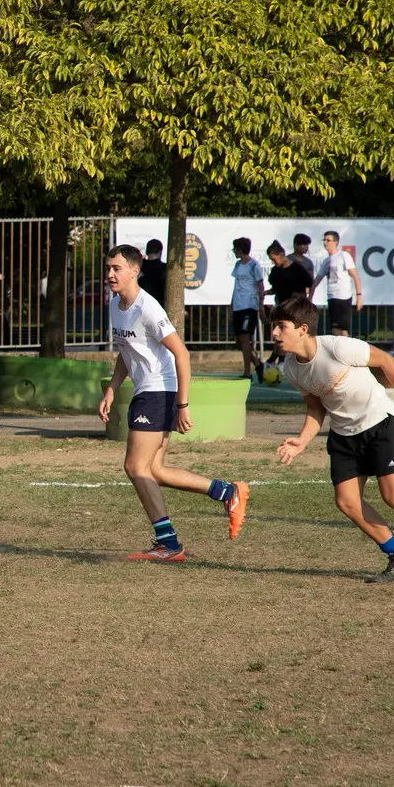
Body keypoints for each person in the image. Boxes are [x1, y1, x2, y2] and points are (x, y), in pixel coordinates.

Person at [270, 295, 394, 583]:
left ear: (302, 329)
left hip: (378, 423)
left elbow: (387, 361)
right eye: (273, 327)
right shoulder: (291, 368)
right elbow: (315, 407)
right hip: (343, 434)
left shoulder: (338, 347)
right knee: (348, 502)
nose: (274, 333)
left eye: (281, 326)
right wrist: (302, 441)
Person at [98, 245, 249, 562]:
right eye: (108, 268)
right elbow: (127, 351)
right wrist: (112, 389)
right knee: (155, 470)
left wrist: (182, 405)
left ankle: (169, 544)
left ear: (134, 270)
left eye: (116, 268)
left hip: (158, 393)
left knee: (135, 467)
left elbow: (182, 353)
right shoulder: (115, 306)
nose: (110, 274)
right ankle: (226, 492)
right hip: (147, 392)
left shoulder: (147, 308)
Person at [265, 241, 313, 364]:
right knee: (280, 335)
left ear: (281, 255)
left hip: (294, 310)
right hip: (282, 308)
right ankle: (276, 359)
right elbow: (275, 289)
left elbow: (310, 284)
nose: (273, 262)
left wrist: (306, 299)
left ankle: (281, 360)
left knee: (289, 335)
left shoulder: (297, 269)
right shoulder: (275, 272)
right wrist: (265, 293)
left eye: (274, 259)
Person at [229, 237, 266, 382]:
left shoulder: (254, 265)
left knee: (245, 340)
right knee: (239, 341)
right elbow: (236, 286)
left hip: (249, 306)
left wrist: (261, 306)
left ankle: (247, 372)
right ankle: (257, 364)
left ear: (240, 250)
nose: (234, 252)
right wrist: (231, 305)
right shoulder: (238, 265)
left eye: (235, 249)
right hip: (238, 305)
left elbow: (260, 286)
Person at [312, 230, 362, 337]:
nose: (325, 242)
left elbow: (355, 276)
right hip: (332, 297)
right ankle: (343, 352)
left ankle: (349, 351)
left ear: (335, 242)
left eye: (328, 240)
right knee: (335, 329)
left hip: (343, 296)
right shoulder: (326, 261)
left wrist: (359, 296)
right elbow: (316, 281)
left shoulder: (344, 256)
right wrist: (309, 297)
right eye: (324, 240)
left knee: (341, 329)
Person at [138, 239, 167, 306]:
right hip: (159, 306)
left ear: (146, 252)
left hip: (140, 306)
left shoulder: (139, 268)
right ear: (160, 252)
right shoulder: (164, 269)